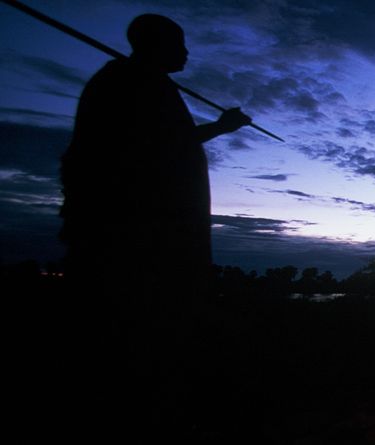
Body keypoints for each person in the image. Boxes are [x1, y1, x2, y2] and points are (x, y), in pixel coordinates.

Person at [57, 14, 249, 441]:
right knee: (141, 329)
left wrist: (221, 127)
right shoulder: (127, 83)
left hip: (157, 228)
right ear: (153, 44)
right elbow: (143, 150)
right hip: (138, 235)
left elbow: (170, 140)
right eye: (178, 44)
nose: (185, 53)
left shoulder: (147, 84)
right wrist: (221, 127)